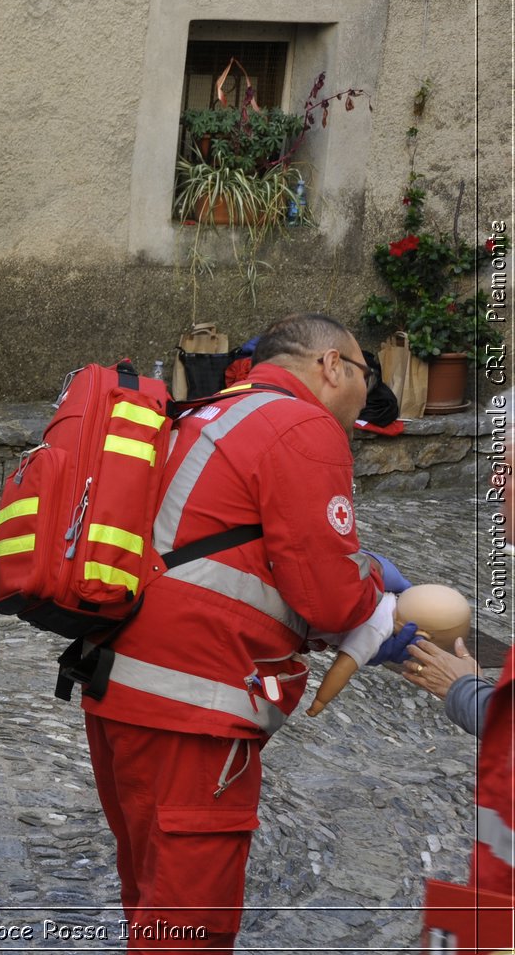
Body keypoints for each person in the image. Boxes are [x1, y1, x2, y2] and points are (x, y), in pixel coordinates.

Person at [78, 312, 419, 952]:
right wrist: (376, 598)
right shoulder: (302, 426)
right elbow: (329, 595)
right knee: (188, 929)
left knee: (149, 899)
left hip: (118, 688)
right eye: (363, 375)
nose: (363, 399)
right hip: (193, 709)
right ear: (331, 366)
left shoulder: (205, 410)